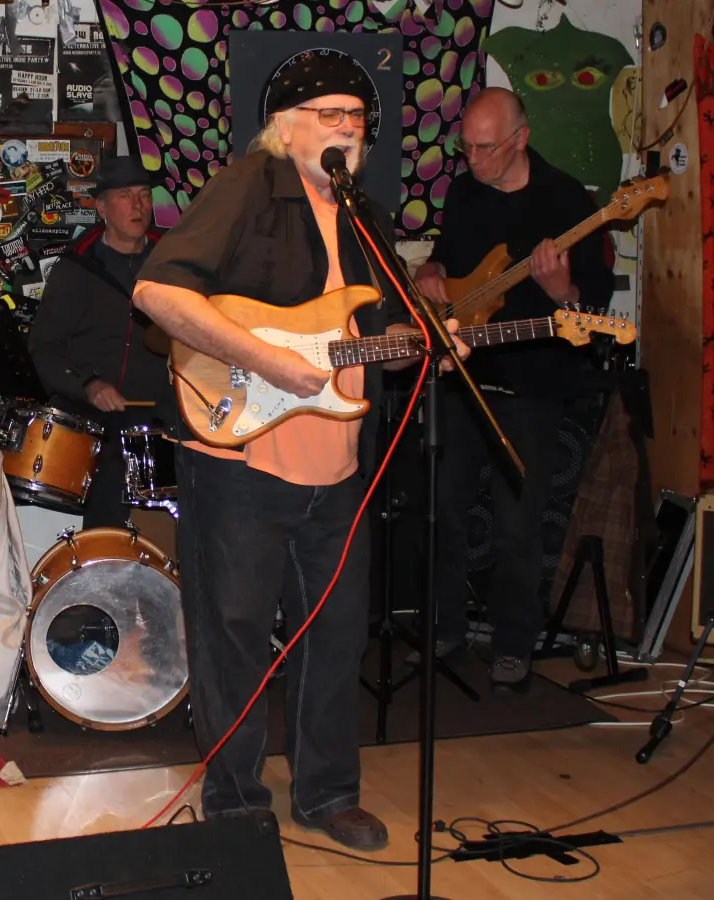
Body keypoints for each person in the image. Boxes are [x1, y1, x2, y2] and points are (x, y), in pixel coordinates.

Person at [133, 52, 467, 850]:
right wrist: (268, 359)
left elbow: (367, 338)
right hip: (241, 459)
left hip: (339, 468)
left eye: (357, 118)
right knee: (235, 634)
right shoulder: (249, 187)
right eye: (329, 114)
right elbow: (157, 291)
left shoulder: (364, 215)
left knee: (337, 633)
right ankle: (235, 801)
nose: (347, 129)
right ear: (285, 127)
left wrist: (424, 345)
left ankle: (328, 793)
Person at [414, 87, 613, 692]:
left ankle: (512, 645)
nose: (473, 159)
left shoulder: (567, 201)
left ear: (520, 139)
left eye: (486, 148)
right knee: (441, 511)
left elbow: (592, 308)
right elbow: (446, 259)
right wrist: (431, 271)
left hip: (532, 382)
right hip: (464, 375)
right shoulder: (464, 192)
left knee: (517, 525)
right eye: (466, 147)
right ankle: (445, 628)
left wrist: (561, 294)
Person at [27, 156, 168, 528]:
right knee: (108, 502)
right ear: (102, 209)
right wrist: (87, 384)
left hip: (161, 413)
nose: (138, 205)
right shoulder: (77, 268)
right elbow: (44, 347)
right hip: (93, 417)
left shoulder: (173, 260)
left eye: (144, 195)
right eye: (125, 196)